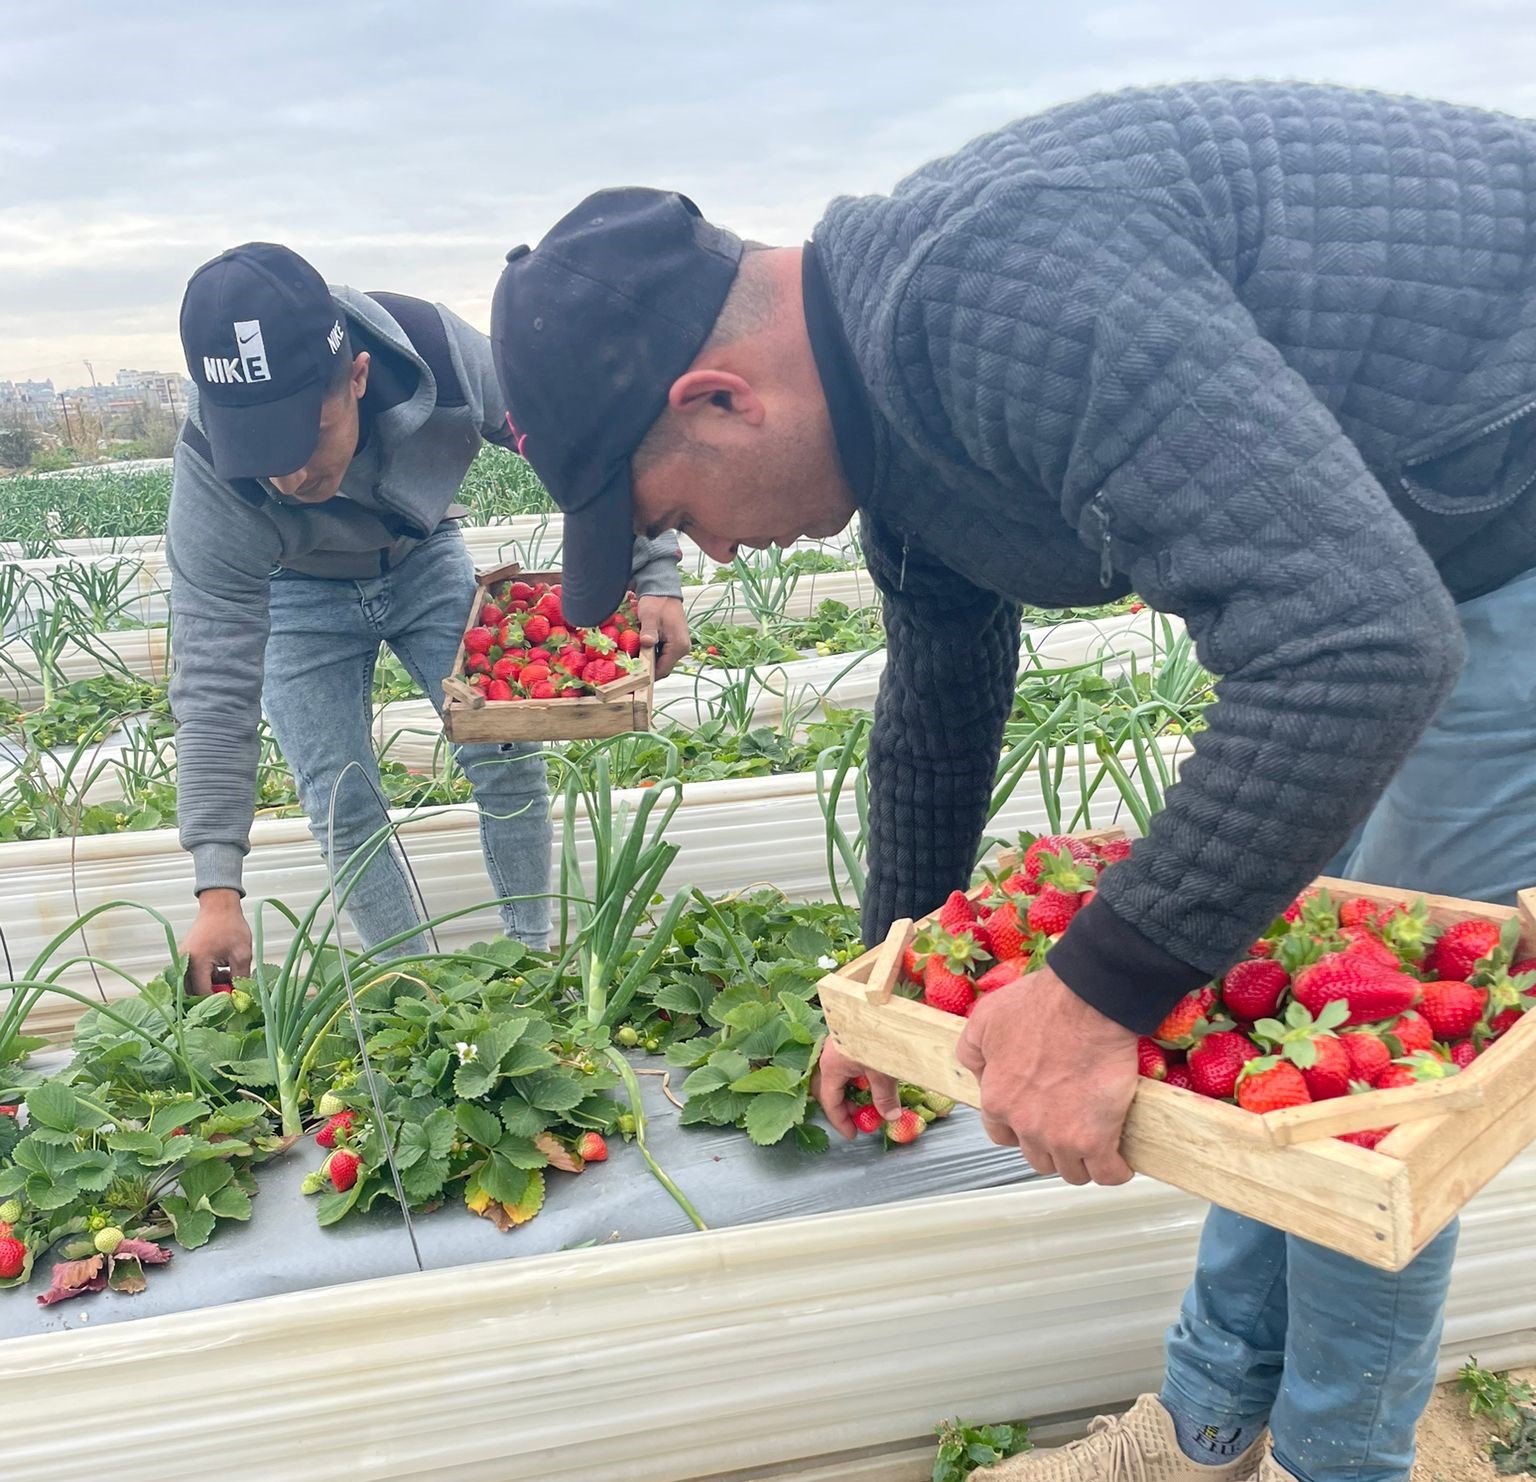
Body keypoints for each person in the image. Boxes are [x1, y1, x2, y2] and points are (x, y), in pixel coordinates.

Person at [485, 81, 1536, 1482]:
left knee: (1379, 1072)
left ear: (720, 397)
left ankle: (1336, 1459)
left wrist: (1097, 990)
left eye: (674, 514)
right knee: (1260, 969)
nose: (715, 556)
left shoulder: (995, 298)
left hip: (1498, 508)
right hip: (1381, 542)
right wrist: (895, 972)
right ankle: (1213, 1416)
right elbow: (938, 700)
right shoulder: (890, 404)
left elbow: (1360, 645)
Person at [170, 242, 688, 992]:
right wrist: (217, 889)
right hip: (295, 593)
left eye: (306, 438)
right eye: (260, 450)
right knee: (342, 799)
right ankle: (415, 998)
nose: (289, 475)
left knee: (506, 750)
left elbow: (575, 435)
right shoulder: (208, 474)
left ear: (358, 378)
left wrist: (654, 571)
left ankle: (529, 961)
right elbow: (212, 685)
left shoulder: (440, 354)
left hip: (421, 555)